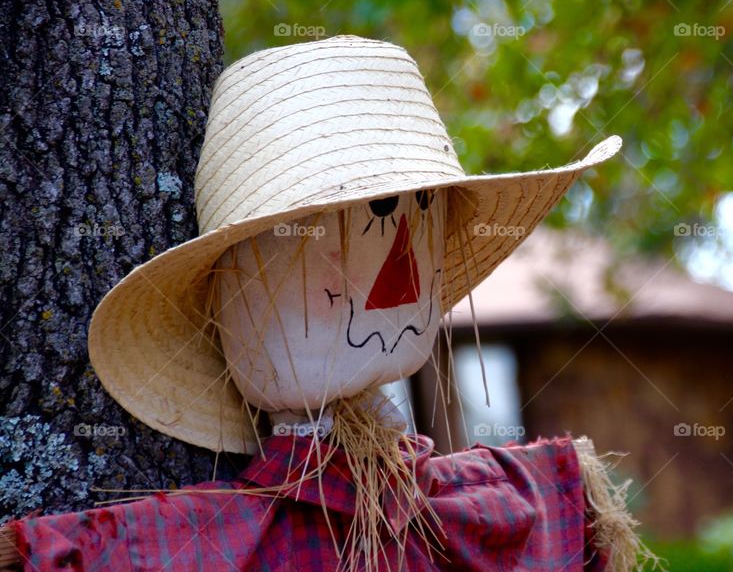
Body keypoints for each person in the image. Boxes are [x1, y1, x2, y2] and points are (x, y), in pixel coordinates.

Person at [0, 36, 646, 571]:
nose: (400, 256)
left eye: (421, 205)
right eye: (379, 208)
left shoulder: (493, 504)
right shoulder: (216, 535)